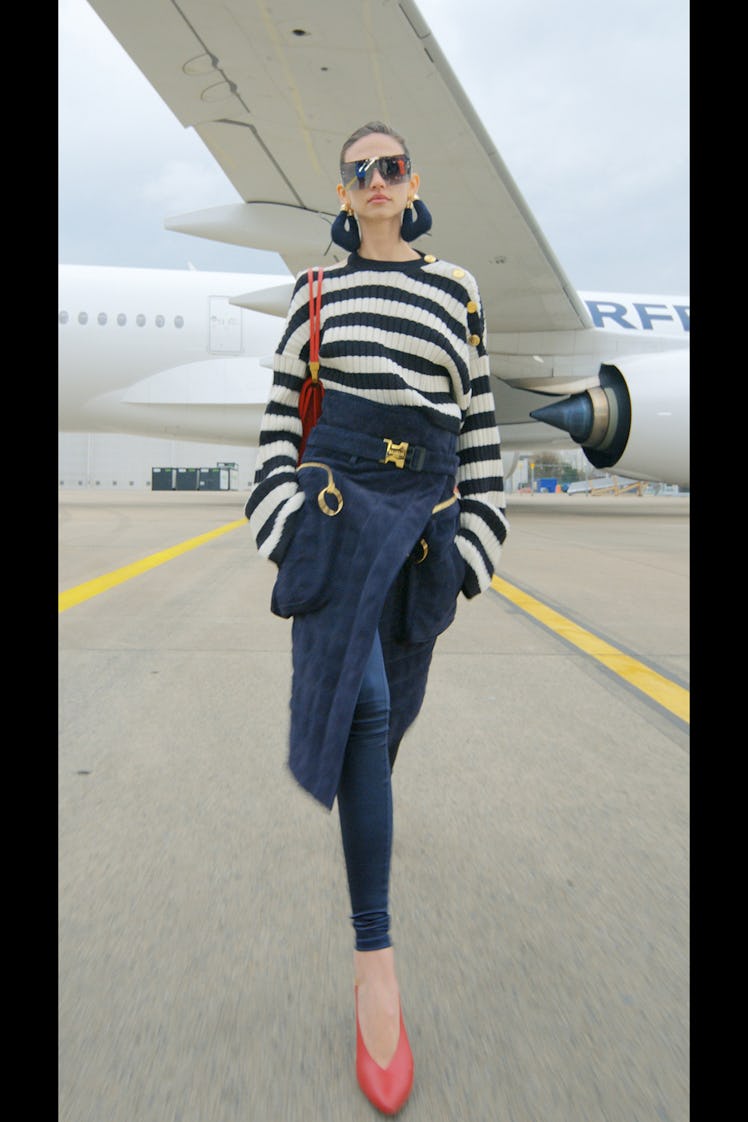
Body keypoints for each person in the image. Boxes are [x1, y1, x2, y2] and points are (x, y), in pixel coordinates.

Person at [245, 121, 509, 1115]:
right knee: (355, 704)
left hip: (423, 529)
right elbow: (275, 427)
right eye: (357, 171)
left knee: (385, 720)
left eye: (389, 166)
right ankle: (376, 961)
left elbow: (475, 419)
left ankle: (367, 819)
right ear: (345, 193)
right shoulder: (312, 295)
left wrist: (477, 537)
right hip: (333, 515)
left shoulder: (459, 291)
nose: (374, 181)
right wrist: (285, 523)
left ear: (411, 181)